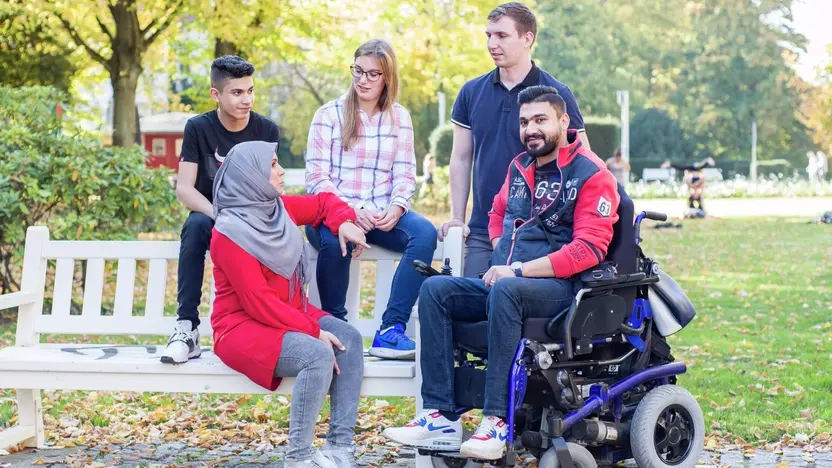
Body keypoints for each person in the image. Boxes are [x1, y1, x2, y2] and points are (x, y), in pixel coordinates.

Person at [382, 85, 619, 460]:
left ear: (564, 121)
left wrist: (519, 268)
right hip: (508, 281)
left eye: (540, 120)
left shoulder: (592, 174)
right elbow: (496, 213)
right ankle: (440, 416)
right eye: (525, 122)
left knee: (507, 290)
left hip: (560, 291)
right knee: (436, 290)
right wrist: (500, 249)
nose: (531, 129)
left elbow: (588, 249)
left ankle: (497, 421)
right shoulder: (519, 167)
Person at [210, 141, 369, 468]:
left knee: (350, 339)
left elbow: (325, 202)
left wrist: (343, 222)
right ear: (250, 176)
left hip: (289, 313)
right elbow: (257, 301)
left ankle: (339, 449)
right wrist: (313, 331)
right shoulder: (228, 233)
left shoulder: (279, 209)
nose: (281, 171)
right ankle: (297, 459)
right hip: (241, 328)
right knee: (317, 353)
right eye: (272, 165)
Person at [305, 39, 437, 361]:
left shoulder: (399, 118)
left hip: (381, 213)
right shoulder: (329, 115)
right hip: (332, 212)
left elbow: (405, 174)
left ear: (387, 78)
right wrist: (350, 212)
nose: (363, 80)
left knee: (424, 233)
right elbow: (317, 179)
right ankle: (336, 329)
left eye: (373, 74)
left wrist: (398, 205)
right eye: (358, 71)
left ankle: (391, 330)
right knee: (336, 237)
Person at [437, 2, 590, 278]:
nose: (492, 43)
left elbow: (583, 163)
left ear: (527, 38)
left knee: (525, 315)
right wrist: (458, 217)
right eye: (489, 35)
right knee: (473, 308)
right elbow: (461, 157)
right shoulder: (471, 92)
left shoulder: (558, 94)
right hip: (484, 230)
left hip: (541, 233)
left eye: (502, 35)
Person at [162, 55, 280, 364]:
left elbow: (272, 184)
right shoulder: (198, 128)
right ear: (216, 94)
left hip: (253, 218)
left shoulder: (266, 129)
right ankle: (186, 329)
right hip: (212, 215)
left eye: (250, 91)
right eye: (237, 93)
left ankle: (263, 327)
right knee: (195, 226)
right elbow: (185, 188)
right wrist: (220, 215)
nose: (247, 100)